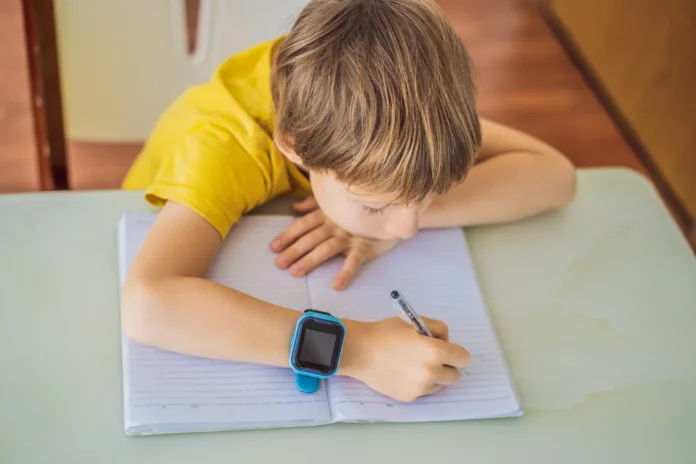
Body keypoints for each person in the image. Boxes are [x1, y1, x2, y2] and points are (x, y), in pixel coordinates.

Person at [120, 0, 576, 402]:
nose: (408, 230)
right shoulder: (225, 145)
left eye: (428, 197)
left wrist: (378, 220)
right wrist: (358, 351)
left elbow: (555, 177)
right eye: (377, 206)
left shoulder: (402, 107)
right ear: (294, 145)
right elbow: (148, 304)